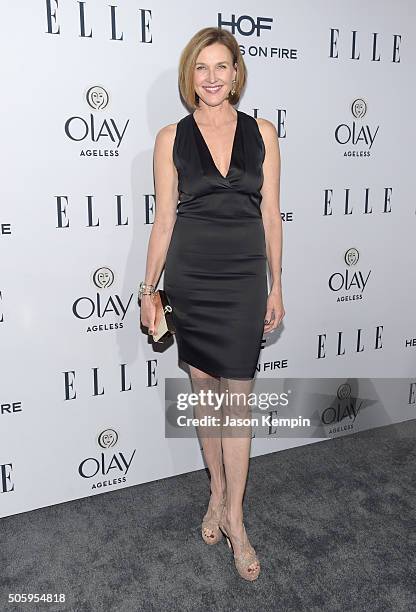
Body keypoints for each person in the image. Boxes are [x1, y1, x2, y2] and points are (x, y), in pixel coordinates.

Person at [139, 26, 284, 581]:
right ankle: (217, 497)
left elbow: (271, 215)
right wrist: (148, 290)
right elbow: (164, 220)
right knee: (205, 396)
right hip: (192, 279)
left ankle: (239, 520)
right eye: (202, 68)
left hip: (245, 279)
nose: (212, 77)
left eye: (222, 66)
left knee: (238, 402)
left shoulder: (263, 134)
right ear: (189, 76)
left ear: (236, 72)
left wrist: (278, 284)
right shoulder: (169, 138)